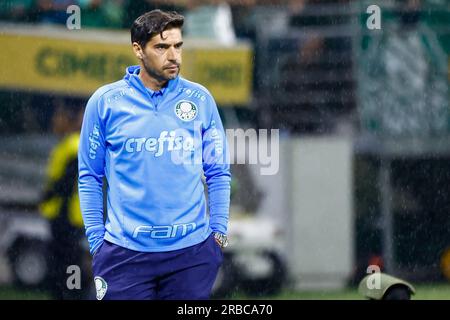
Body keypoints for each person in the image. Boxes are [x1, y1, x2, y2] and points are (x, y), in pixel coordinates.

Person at [78, 9, 231, 300]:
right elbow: (89, 176)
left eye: (178, 46)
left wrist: (219, 233)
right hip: (124, 254)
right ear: (138, 50)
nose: (173, 56)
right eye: (162, 47)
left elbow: (218, 171)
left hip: (191, 254)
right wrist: (97, 241)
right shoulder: (105, 103)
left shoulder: (200, 100)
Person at [39, 100, 86, 299]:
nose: (54, 120)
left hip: (67, 216)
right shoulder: (67, 144)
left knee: (69, 261)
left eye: (58, 115)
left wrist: (48, 195)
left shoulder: (74, 146)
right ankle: (67, 292)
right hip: (64, 216)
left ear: (69, 118)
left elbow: (66, 183)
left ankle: (71, 293)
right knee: (65, 261)